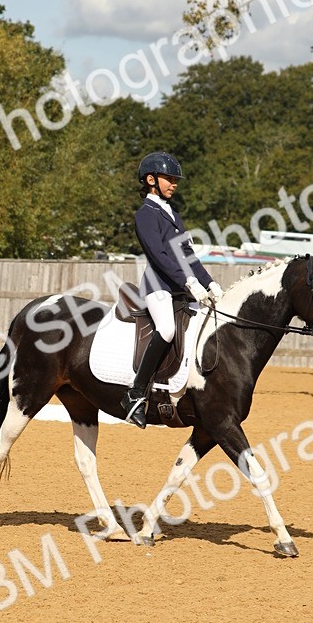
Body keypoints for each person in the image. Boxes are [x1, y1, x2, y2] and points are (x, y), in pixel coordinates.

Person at [121, 151, 222, 428]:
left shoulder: (172, 214)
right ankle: (136, 393)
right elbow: (159, 256)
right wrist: (188, 282)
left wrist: (209, 282)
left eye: (176, 180)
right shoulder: (146, 214)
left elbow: (187, 255)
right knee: (166, 329)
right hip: (158, 287)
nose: (174, 184)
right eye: (169, 178)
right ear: (151, 180)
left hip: (179, 287)